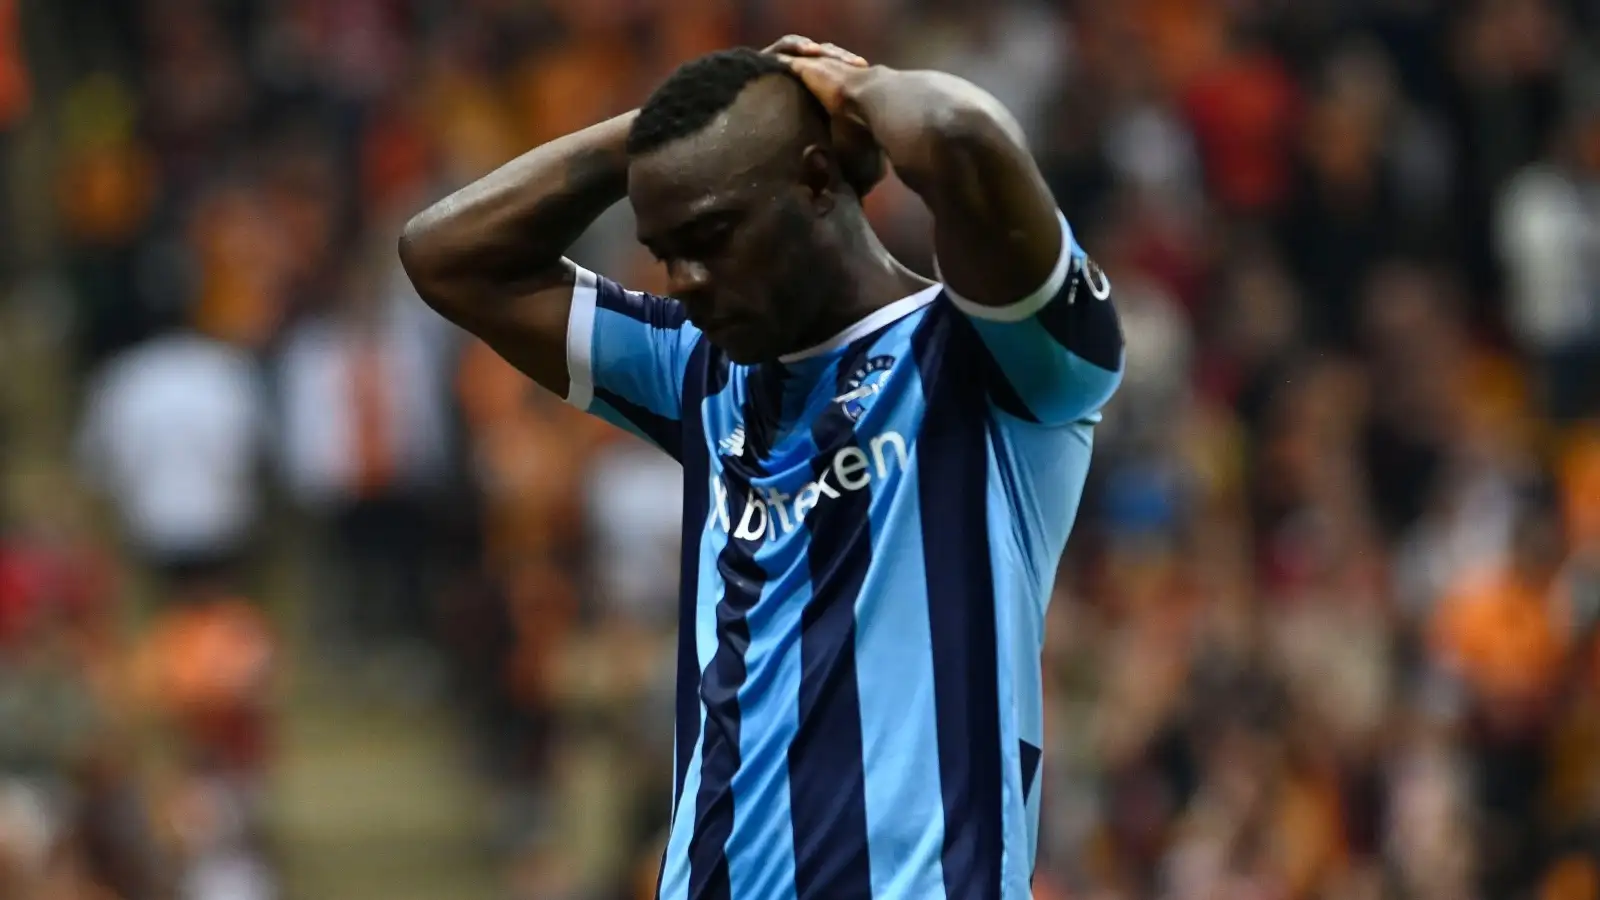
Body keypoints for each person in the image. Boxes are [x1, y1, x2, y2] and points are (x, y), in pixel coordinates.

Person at [400, 36, 1124, 900]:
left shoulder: (992, 361)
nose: (687, 281)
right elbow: (443, 254)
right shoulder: (700, 370)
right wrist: (671, 131)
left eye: (711, 235)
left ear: (819, 182)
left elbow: (963, 137)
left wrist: (855, 88)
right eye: (667, 249)